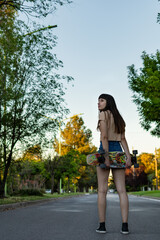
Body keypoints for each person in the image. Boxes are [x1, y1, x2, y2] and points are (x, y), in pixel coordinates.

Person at [96, 93, 132, 235]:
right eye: (98, 100)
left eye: (102, 100)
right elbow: (123, 139)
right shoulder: (119, 118)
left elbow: (104, 136)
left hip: (105, 150)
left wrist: (105, 156)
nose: (98, 103)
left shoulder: (103, 115)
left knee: (102, 190)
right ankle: (124, 226)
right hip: (118, 151)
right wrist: (128, 157)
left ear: (108, 102)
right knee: (122, 191)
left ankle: (102, 226)